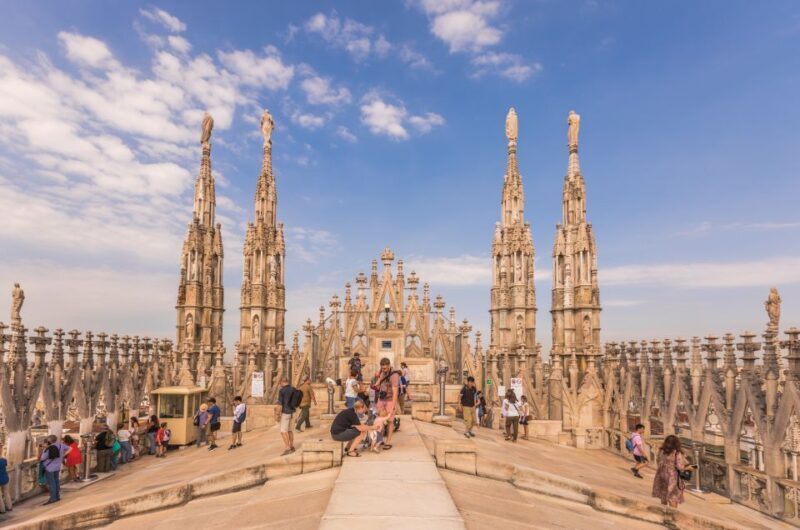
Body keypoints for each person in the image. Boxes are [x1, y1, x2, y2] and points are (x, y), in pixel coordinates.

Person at [652, 435, 695, 509]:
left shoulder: (661, 450)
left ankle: (663, 513)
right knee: (673, 497)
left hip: (661, 474)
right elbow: (680, 467)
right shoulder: (677, 453)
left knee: (663, 495)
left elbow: (658, 461)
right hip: (672, 477)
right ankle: (672, 516)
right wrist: (689, 468)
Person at [374, 357, 401, 450]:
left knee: (390, 421)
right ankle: (380, 439)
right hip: (381, 398)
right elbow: (379, 383)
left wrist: (393, 406)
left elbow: (395, 392)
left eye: (385, 368)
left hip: (390, 400)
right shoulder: (382, 372)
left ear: (389, 365)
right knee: (379, 419)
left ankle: (388, 441)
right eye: (382, 368)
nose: (383, 369)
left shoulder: (394, 375)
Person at [40, 435, 67, 505]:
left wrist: (43, 449)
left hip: (49, 468)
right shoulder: (61, 445)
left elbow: (42, 458)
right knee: (56, 481)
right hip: (57, 466)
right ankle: (57, 496)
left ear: (49, 441)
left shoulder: (48, 448)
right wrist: (63, 455)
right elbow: (70, 448)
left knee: (51, 483)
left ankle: (53, 498)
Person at [277, 377, 299, 455]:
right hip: (293, 412)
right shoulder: (294, 389)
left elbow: (280, 404)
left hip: (286, 413)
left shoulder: (282, 391)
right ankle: (292, 446)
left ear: (282, 382)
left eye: (280, 383)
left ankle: (287, 448)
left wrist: (277, 415)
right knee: (290, 430)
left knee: (283, 431)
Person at [0, 444, 12, 513]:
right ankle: (9, 507)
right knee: (6, 493)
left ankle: (2, 509)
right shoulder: (4, 460)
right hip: (5, 478)